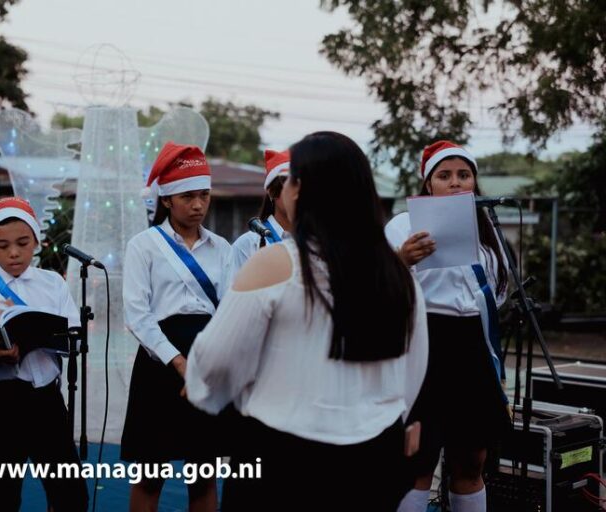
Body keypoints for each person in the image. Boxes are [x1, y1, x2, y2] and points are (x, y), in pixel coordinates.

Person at [184, 131, 429, 511]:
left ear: (297, 191)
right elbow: (413, 370)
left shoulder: (275, 263)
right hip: (376, 455)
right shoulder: (396, 272)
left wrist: (211, 392)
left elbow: (214, 361)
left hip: (283, 458)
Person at [386, 141, 510, 512]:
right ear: (428, 184)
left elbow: (499, 291)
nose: (456, 183)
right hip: (424, 344)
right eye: (444, 176)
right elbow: (375, 287)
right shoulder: (402, 224)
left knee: (471, 458)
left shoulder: (485, 226)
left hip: (472, 343)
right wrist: (401, 259)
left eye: (464, 175)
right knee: (418, 460)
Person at [0, 197, 88, 511]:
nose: (14, 253)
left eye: (22, 243)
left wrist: (47, 338)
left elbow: (76, 339)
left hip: (46, 400)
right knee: (2, 495)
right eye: (2, 245)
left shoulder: (53, 283)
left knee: (70, 494)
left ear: (37, 242)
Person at [121, 141, 231, 512]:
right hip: (159, 363)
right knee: (149, 476)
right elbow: (137, 314)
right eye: (187, 196)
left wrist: (205, 365)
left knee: (204, 475)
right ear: (166, 199)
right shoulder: (143, 246)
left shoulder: (223, 249)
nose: (198, 204)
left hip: (208, 361)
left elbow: (231, 312)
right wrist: (180, 364)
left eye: (204, 195)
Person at [229, 149, 292, 276]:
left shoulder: (315, 242)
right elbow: (233, 293)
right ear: (271, 191)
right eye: (291, 186)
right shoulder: (248, 244)